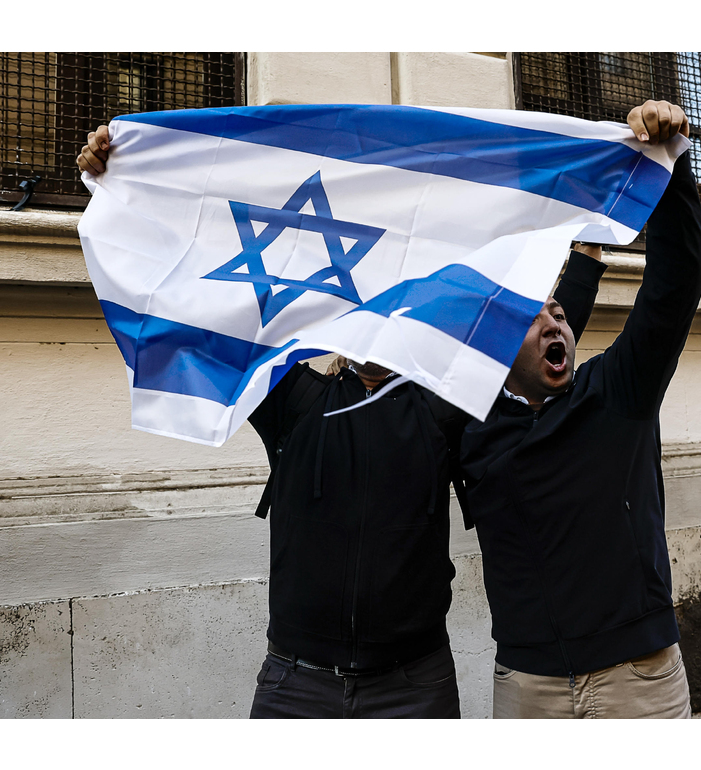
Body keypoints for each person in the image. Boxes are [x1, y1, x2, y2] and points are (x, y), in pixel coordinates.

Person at [75, 124, 600, 718]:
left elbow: (531, 343)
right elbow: (183, 316)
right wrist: (123, 191)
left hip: (414, 687)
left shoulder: (440, 407)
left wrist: (587, 243)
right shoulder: (294, 402)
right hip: (296, 685)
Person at [458, 100, 701, 718]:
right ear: (496, 346)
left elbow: (675, 282)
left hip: (639, 683)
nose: (557, 323)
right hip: (527, 690)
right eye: (535, 318)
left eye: (561, 316)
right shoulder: (469, 424)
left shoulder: (617, 391)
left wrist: (669, 162)